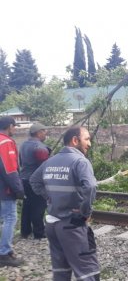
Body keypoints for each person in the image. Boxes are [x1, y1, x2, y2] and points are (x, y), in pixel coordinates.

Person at [30, 126, 100, 281]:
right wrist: (85, 212)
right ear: (75, 140)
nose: (89, 144)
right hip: (72, 224)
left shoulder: (50, 161)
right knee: (87, 271)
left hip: (52, 224)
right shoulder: (80, 161)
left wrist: (50, 197)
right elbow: (90, 186)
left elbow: (34, 180)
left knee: (61, 271)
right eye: (87, 139)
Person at [0, 116, 25, 267]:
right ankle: (4, 252)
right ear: (10, 126)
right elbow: (9, 169)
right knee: (10, 218)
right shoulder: (5, 142)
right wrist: (19, 189)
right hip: (5, 189)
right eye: (15, 127)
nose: (15, 129)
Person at [19, 123, 51, 239]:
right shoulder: (40, 148)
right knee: (39, 206)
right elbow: (43, 168)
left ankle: (25, 231)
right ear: (39, 133)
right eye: (44, 132)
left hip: (24, 179)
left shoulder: (23, 145)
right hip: (35, 181)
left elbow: (21, 163)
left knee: (27, 205)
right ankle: (39, 233)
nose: (45, 134)